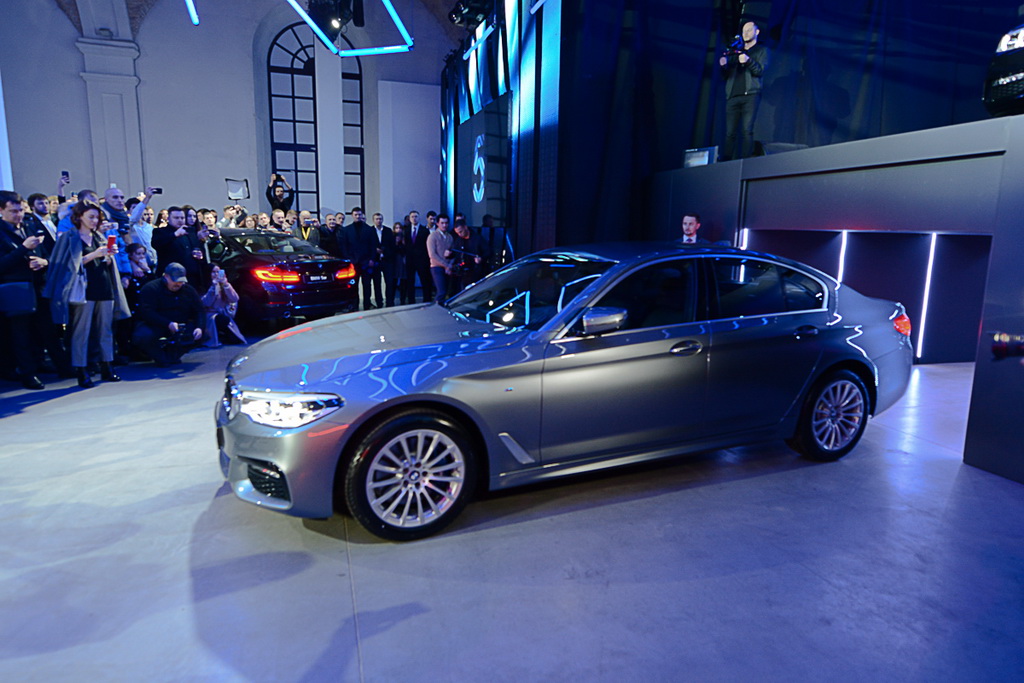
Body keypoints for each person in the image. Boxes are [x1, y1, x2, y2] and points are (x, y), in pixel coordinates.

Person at [43, 200, 130, 388]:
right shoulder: (69, 237)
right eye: (90, 217)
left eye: (97, 217)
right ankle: (81, 370)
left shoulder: (99, 236)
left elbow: (105, 262)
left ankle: (107, 365)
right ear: (79, 216)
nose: (94, 220)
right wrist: (94, 255)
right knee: (81, 332)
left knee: (106, 329)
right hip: (83, 290)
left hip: (104, 286)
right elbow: (66, 266)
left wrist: (108, 257)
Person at [0, 190, 67, 389]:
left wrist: (43, 261)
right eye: (13, 211)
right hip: (15, 289)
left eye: (20, 210)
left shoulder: (30, 226)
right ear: (1, 211)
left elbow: (49, 253)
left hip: (38, 285)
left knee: (48, 330)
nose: (18, 215)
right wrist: (23, 248)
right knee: (20, 334)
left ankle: (60, 366)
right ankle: (28, 373)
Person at [131, 262, 204, 366]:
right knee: (143, 335)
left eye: (181, 281)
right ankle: (161, 356)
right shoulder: (150, 289)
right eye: (175, 281)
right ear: (166, 277)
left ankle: (172, 355)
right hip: (156, 324)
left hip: (180, 325)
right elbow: (147, 313)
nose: (178, 284)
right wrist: (167, 323)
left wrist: (199, 327)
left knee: (201, 334)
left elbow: (199, 310)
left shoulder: (188, 290)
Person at [719, 20, 768, 161]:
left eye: (749, 30)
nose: (745, 33)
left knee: (747, 130)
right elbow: (726, 75)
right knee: (730, 133)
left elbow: (759, 71)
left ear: (756, 32)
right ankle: (726, 161)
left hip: (750, 95)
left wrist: (748, 61)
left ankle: (747, 162)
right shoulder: (736, 51)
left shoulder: (761, 50)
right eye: (744, 31)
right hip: (733, 95)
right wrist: (724, 66)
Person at [201, 264, 245, 348]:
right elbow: (207, 303)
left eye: (218, 272)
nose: (216, 274)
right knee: (220, 320)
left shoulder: (223, 284)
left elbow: (235, 299)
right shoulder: (204, 285)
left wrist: (226, 285)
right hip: (210, 316)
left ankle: (223, 334)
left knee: (235, 339)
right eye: (213, 272)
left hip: (223, 313)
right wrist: (213, 288)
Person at [447, 219, 485, 295]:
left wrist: (481, 258)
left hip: (476, 271)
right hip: (463, 272)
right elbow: (455, 253)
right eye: (457, 233)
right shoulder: (459, 240)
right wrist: (449, 254)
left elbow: (488, 252)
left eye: (461, 232)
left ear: (465, 227)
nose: (459, 234)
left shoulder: (477, 238)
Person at [406, 210, 433, 303]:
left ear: (419, 218)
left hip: (422, 260)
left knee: (425, 280)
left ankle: (427, 300)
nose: (414, 218)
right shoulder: (406, 230)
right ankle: (411, 301)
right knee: (410, 281)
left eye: (416, 216)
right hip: (410, 260)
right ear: (409, 219)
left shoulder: (425, 230)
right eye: (412, 217)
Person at [426, 214, 453, 304]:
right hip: (436, 266)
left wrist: (449, 265)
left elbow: (453, 252)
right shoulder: (432, 236)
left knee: (446, 292)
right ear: (437, 223)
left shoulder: (450, 237)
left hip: (448, 267)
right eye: (442, 223)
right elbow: (432, 255)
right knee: (441, 291)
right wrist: (446, 265)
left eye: (446, 223)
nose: (444, 225)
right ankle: (435, 308)